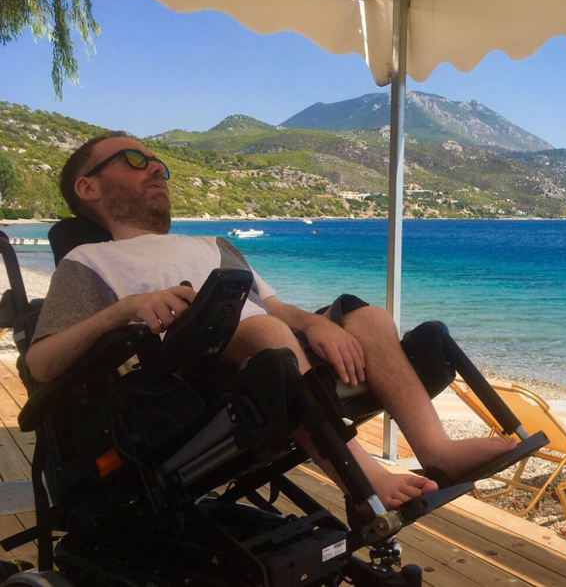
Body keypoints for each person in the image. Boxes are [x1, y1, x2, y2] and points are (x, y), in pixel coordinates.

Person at [26, 132, 516, 510]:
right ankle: (363, 477)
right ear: (87, 186)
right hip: (189, 391)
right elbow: (42, 363)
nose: (156, 166)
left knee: (367, 317)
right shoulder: (89, 261)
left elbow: (276, 307)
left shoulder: (211, 246)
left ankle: (437, 450)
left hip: (274, 354)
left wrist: (319, 324)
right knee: (263, 331)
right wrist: (122, 310)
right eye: (135, 160)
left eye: (159, 162)